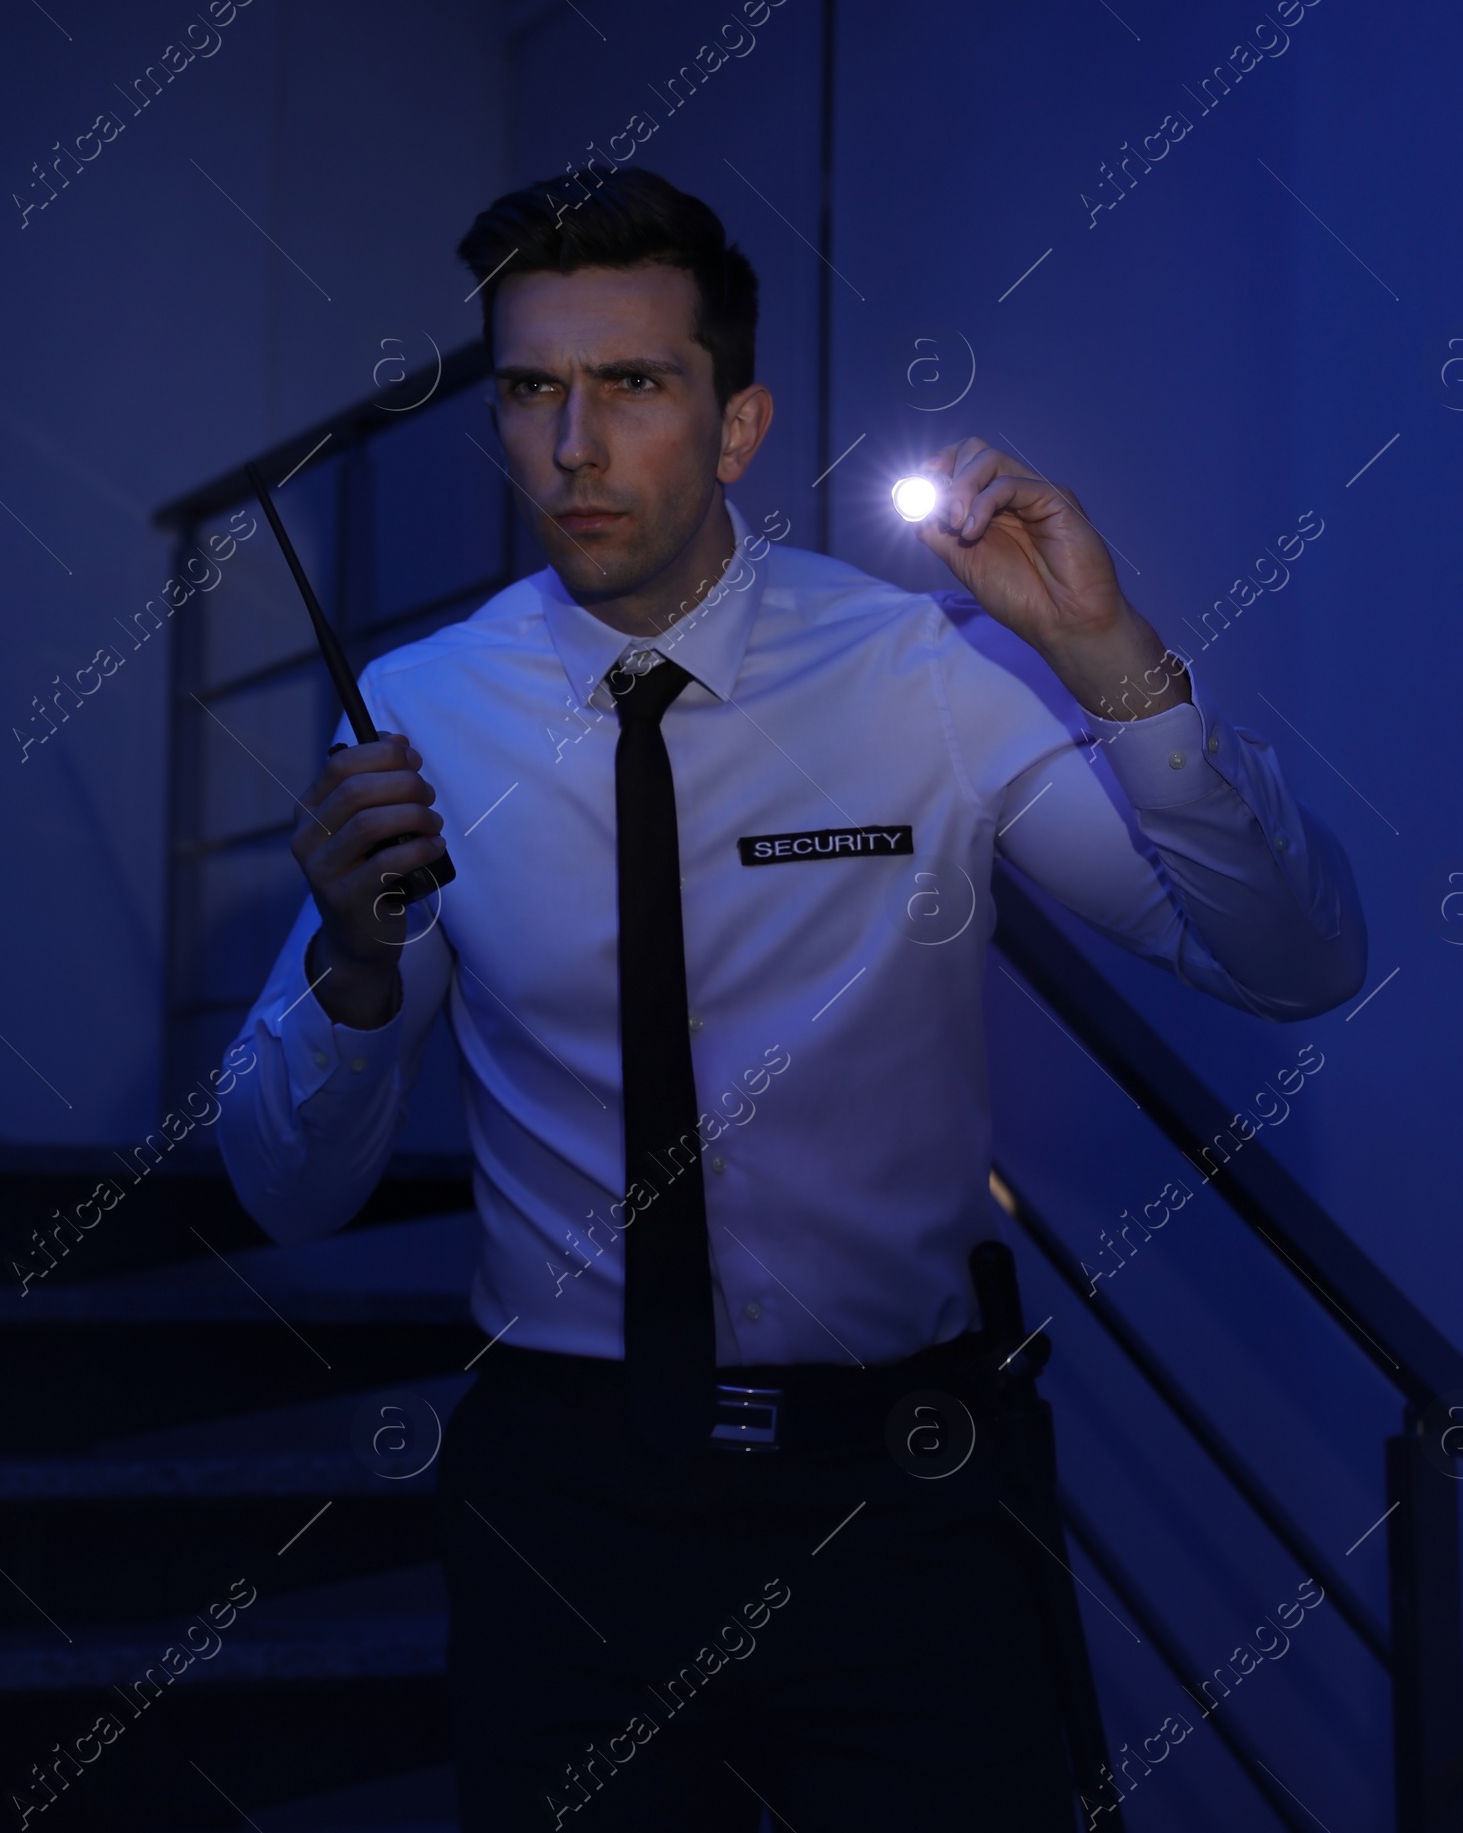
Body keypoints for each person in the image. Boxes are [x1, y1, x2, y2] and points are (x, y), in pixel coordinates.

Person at [219, 167, 1365, 1830]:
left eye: (632, 386)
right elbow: (285, 1188)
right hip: (571, 1495)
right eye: (533, 390)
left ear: (739, 422)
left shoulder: (921, 669)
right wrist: (353, 963)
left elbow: (1292, 961)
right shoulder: (417, 710)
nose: (572, 449)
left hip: (901, 1495)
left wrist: (1111, 651)